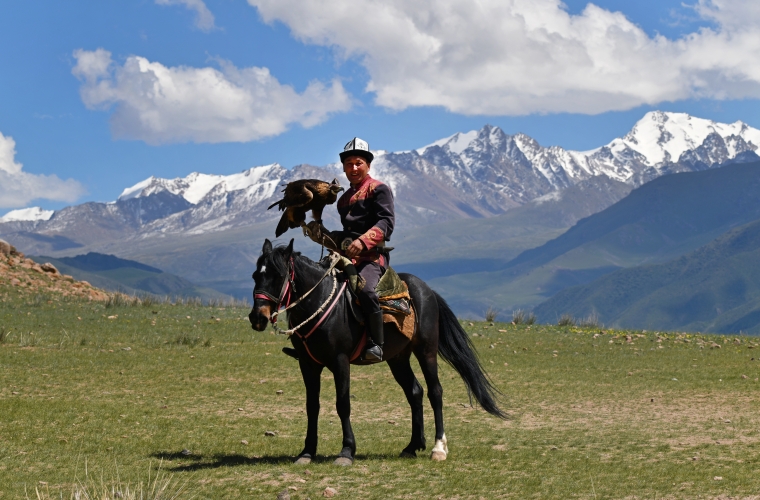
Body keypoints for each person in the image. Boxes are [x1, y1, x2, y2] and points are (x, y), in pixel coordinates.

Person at [330, 137, 395, 362]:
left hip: (371, 257)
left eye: (358, 163)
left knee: (366, 291)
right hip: (348, 258)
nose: (354, 168)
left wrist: (363, 241)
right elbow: (347, 232)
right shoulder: (343, 199)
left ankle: (377, 344)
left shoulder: (379, 189)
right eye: (349, 164)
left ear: (368, 165)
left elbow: (386, 223)